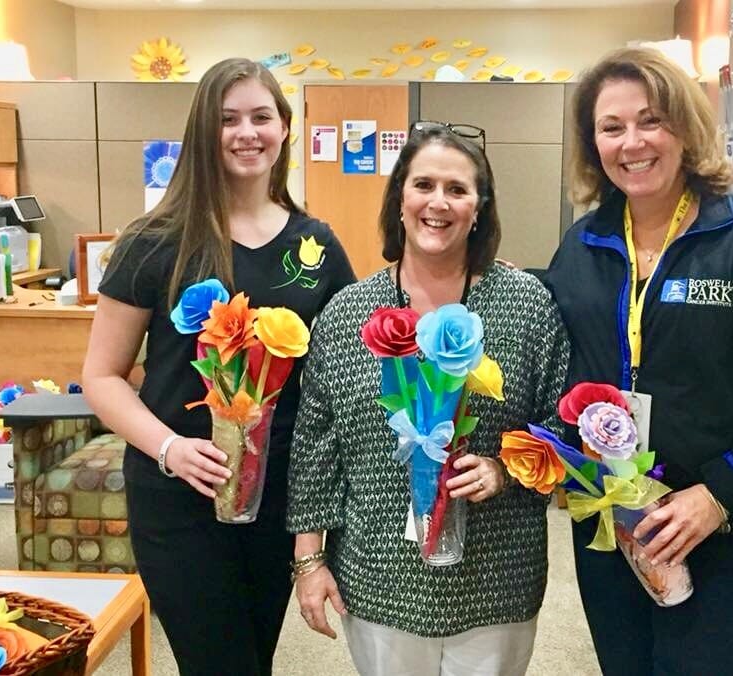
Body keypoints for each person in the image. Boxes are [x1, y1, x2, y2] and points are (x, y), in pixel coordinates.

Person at [543, 47, 733, 675]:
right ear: (591, 141)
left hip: (723, 532)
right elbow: (566, 371)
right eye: (611, 127)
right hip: (614, 527)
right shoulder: (583, 245)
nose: (632, 142)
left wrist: (717, 495)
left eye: (651, 119)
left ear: (686, 126)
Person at [82, 58, 355, 675]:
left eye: (262, 117)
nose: (246, 132)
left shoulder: (315, 248)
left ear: (285, 128)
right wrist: (170, 447)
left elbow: (344, 375)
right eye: (228, 119)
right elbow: (101, 376)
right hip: (179, 498)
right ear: (204, 131)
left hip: (278, 500)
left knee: (249, 661)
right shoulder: (153, 240)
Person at [286, 123, 570, 676]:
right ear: (399, 199)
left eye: (458, 189)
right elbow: (315, 445)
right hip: (380, 571)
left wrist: (504, 468)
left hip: (496, 576)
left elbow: (561, 427)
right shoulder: (349, 313)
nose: (438, 202)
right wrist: (308, 559)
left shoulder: (526, 307)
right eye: (423, 185)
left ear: (479, 208)